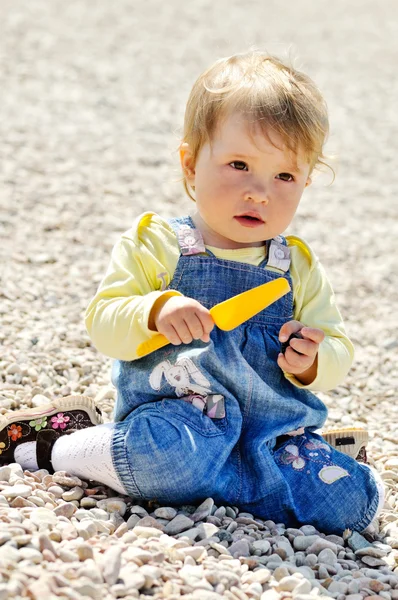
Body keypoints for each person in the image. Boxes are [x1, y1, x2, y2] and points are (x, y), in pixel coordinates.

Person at [0, 50, 384, 534]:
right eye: (239, 164)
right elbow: (103, 322)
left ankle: (323, 458)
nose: (259, 191)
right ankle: (56, 444)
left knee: (350, 509)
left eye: (284, 175)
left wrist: (312, 359)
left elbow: (339, 347)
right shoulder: (158, 245)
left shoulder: (296, 268)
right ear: (190, 164)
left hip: (271, 440)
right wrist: (154, 310)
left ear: (306, 181)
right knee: (170, 462)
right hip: (181, 425)